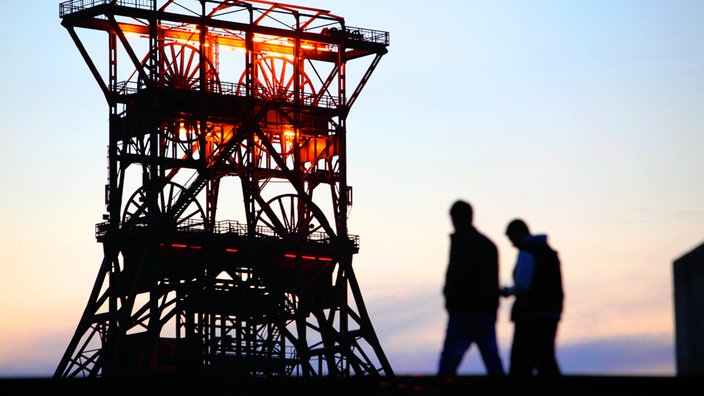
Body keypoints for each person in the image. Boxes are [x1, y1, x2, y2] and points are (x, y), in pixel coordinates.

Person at [437, 200, 505, 376]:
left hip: (463, 311)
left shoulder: (461, 242)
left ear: (455, 218)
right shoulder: (489, 245)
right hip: (486, 311)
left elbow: (456, 275)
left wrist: (450, 298)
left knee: (449, 360)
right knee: (492, 358)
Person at [501, 218, 564, 376]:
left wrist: (507, 292)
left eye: (511, 238)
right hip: (551, 312)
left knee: (521, 362)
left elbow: (523, 285)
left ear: (518, 233)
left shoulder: (527, 252)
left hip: (531, 316)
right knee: (545, 359)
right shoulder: (547, 252)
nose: (512, 244)